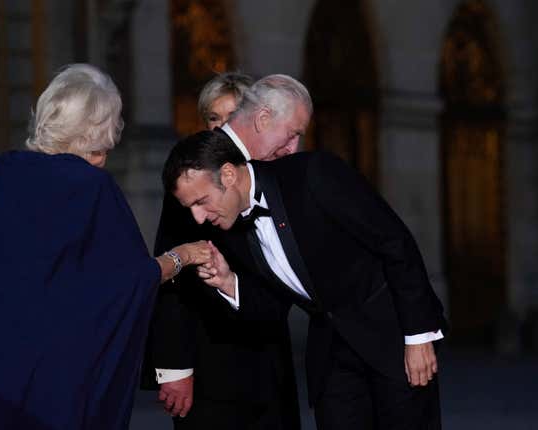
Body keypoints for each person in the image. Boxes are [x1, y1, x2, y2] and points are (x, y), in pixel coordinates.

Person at [0, 64, 211, 430]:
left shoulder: (2, 173)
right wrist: (182, 256)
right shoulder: (92, 188)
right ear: (102, 127)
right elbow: (128, 283)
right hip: (47, 385)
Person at [162, 131, 449, 430]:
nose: (198, 218)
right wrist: (228, 282)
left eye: (201, 201)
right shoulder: (229, 230)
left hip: (394, 340)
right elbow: (272, 308)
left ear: (229, 174)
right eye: (190, 208)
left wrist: (419, 335)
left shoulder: (313, 174)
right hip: (331, 357)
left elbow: (394, 242)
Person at [144, 74, 312, 429]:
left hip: (268, 355)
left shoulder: (276, 175)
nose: (223, 131)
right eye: (213, 120)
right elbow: (171, 276)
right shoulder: (190, 180)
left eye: (231, 117)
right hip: (210, 356)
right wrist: (174, 366)